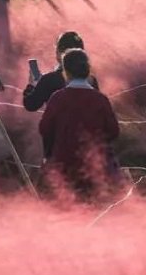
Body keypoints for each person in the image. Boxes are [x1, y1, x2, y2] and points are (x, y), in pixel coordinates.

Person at [38, 49, 119, 199]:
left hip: (63, 166)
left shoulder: (57, 99)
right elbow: (113, 131)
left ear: (66, 72)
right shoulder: (100, 100)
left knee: (67, 211)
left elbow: (45, 129)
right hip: (95, 168)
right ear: (88, 71)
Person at [23, 31, 100, 112]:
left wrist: (32, 85)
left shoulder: (49, 80)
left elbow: (31, 105)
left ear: (60, 53)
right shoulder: (91, 80)